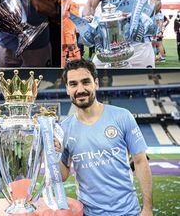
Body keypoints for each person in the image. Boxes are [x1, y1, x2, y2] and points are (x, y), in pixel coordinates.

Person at [56, 59, 152, 216]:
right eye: (73, 84)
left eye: (85, 82)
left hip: (128, 212)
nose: (80, 89)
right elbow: (63, 175)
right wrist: (51, 154)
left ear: (96, 83)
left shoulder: (122, 116)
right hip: (88, 213)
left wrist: (147, 209)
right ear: (67, 89)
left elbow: (141, 162)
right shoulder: (63, 129)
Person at [62, 0, 80, 66]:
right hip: (62, 28)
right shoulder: (59, 2)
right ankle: (62, 64)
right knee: (62, 47)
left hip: (69, 27)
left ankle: (76, 62)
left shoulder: (72, 4)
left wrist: (69, 11)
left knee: (71, 46)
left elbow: (75, 15)